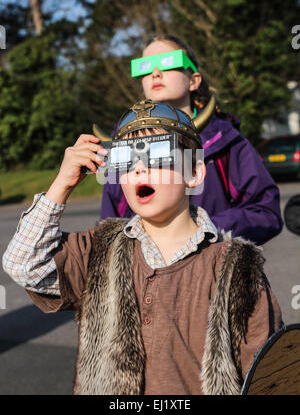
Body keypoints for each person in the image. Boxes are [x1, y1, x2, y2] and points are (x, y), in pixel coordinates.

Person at [3, 99, 282, 395]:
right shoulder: (99, 250)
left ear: (195, 174)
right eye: (124, 158)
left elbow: (271, 378)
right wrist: (62, 184)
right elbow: (23, 264)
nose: (139, 168)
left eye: (158, 153)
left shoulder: (237, 267)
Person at [100, 35, 283, 245]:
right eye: (144, 67)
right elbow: (109, 230)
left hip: (213, 271)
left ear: (194, 80)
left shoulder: (225, 140)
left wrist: (205, 231)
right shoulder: (121, 148)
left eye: (169, 63)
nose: (155, 73)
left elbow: (265, 212)